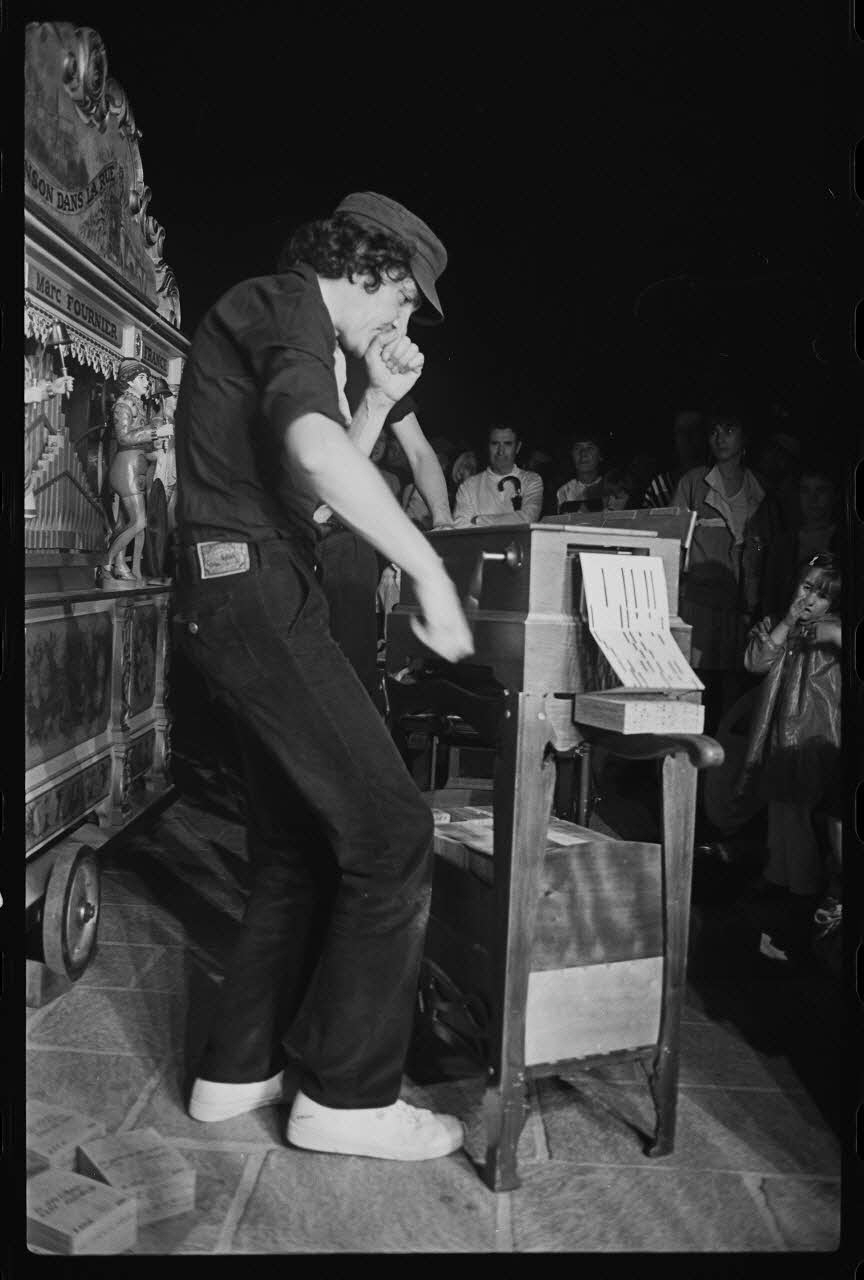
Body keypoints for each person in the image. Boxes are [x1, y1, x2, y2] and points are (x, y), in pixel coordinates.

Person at [173, 191, 473, 1162]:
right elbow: (312, 449)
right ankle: (347, 1093)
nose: (403, 321)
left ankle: (237, 1067)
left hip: (241, 593)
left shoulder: (278, 315)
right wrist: (426, 564)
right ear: (372, 265)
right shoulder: (289, 303)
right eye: (403, 300)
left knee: (298, 845)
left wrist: (379, 400)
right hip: (257, 593)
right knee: (391, 830)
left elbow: (314, 483)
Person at [737, 553, 842, 917]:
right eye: (807, 587)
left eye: (822, 595)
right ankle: (778, 875)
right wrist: (786, 621)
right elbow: (755, 662)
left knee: (798, 813)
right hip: (775, 735)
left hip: (812, 737)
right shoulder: (776, 626)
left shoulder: (834, 630)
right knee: (779, 810)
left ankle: (802, 889)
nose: (810, 600)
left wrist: (835, 634)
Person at [672, 409, 772, 731]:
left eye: (729, 430)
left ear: (744, 438)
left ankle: (717, 769)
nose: (720, 438)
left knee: (731, 691)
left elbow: (761, 549)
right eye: (714, 431)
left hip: (741, 605)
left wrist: (752, 601)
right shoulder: (694, 482)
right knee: (693, 684)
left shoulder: (760, 488)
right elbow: (672, 541)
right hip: (698, 602)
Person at [101, 359, 173, 585]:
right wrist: (155, 432)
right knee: (139, 522)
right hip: (126, 469)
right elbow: (124, 438)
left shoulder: (139, 406)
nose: (147, 383)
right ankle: (105, 564)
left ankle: (120, 566)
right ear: (130, 381)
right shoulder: (123, 405)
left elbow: (142, 444)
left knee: (124, 523)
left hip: (137, 468)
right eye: (142, 378)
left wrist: (156, 445)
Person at [759, 466, 843, 619]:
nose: (813, 499)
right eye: (805, 490)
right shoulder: (782, 545)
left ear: (834, 495)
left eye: (821, 490)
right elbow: (769, 597)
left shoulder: (846, 542)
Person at [453, 424, 543, 525]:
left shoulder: (531, 480)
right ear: (488, 446)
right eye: (495, 444)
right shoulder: (468, 487)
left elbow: (528, 518)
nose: (501, 451)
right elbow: (460, 527)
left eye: (507, 444)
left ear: (518, 447)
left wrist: (478, 520)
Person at [556, 431, 606, 513]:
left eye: (590, 448)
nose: (583, 453)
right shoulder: (563, 491)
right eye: (577, 448)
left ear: (600, 455)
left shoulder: (613, 489)